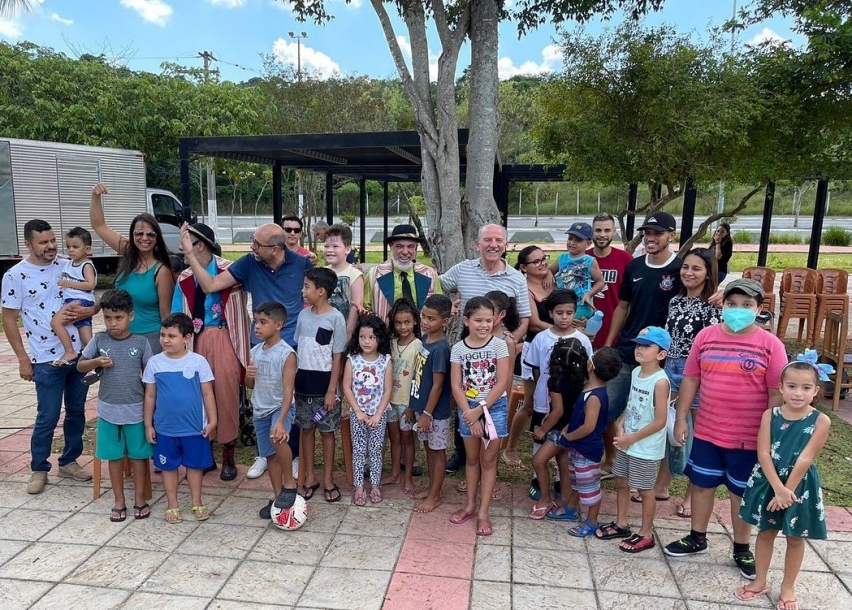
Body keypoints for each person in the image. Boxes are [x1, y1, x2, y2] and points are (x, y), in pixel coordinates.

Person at [664, 279, 788, 580]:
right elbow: (691, 380)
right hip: (707, 430)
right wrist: (681, 418)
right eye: (732, 304)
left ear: (759, 309)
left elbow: (776, 393)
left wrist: (772, 434)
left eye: (747, 305)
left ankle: (742, 547)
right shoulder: (706, 337)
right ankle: (697, 537)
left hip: (749, 439)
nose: (738, 310)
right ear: (723, 305)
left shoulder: (771, 345)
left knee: (740, 493)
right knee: (703, 486)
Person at [180, 221, 311, 480]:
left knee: (291, 400)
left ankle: (292, 455)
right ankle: (264, 453)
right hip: (260, 343)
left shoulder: (301, 264)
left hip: (294, 343)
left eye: (256, 244)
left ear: (275, 249)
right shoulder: (249, 263)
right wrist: (189, 254)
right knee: (261, 399)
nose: (251, 247)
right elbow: (210, 285)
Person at [2, 219, 95, 495]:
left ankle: (69, 461)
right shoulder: (15, 275)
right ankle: (39, 468)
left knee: (77, 412)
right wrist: (22, 359)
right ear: (28, 245)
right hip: (45, 359)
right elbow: (9, 320)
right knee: (47, 415)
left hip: (78, 355)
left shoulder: (69, 263)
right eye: (44, 242)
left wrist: (89, 312)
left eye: (53, 240)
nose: (51, 246)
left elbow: (92, 295)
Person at [734, 357, 831, 610]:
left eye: (806, 387)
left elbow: (806, 457)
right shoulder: (771, 415)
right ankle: (760, 580)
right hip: (769, 481)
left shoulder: (821, 421)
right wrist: (777, 488)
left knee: (795, 536)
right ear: (781, 387)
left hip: (800, 485)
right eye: (792, 386)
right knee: (765, 531)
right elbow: (763, 453)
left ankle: (788, 586)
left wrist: (787, 491)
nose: (798, 393)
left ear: (816, 391)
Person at [439, 223, 532, 473]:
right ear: (477, 244)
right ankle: (463, 453)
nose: (493, 245)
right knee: (465, 399)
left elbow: (525, 318)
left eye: (498, 240)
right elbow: (437, 286)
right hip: (467, 350)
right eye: (488, 240)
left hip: (498, 353)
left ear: (504, 245)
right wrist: (450, 305)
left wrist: (510, 341)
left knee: (496, 402)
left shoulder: (515, 278)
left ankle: (490, 459)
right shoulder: (462, 270)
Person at [602, 212, 682, 477]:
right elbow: (623, 306)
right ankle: (612, 460)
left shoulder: (680, 269)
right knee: (609, 409)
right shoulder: (634, 266)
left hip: (661, 357)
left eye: (658, 233)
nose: (651, 238)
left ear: (671, 235)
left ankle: (654, 478)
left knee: (657, 417)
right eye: (648, 232)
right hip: (628, 350)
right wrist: (610, 343)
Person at [172, 223, 251, 481]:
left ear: (201, 245)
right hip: (195, 339)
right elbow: (177, 314)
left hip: (224, 334)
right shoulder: (184, 278)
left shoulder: (229, 269)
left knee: (226, 392)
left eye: (187, 245)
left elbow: (211, 287)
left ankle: (228, 453)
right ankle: (203, 454)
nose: (183, 252)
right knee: (196, 395)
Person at [653, 247, 721, 515]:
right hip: (671, 367)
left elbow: (712, 347)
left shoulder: (714, 304)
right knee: (669, 428)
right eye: (686, 267)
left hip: (700, 373)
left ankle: (692, 496)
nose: (689, 273)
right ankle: (662, 484)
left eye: (696, 268)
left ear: (708, 274)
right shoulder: (675, 301)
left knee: (696, 435)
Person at [77, 289, 153, 521]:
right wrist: (96, 361)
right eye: (108, 318)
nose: (112, 323)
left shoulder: (141, 343)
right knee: (114, 456)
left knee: (139, 457)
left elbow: (150, 377)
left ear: (130, 316)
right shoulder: (99, 339)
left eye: (118, 318)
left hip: (136, 410)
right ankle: (119, 501)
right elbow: (80, 366)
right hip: (108, 411)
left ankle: (139, 499)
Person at [595, 326, 671, 553]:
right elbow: (632, 403)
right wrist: (620, 423)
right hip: (627, 439)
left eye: (647, 346)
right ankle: (621, 523)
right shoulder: (637, 372)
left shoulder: (660, 382)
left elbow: (660, 421)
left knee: (644, 489)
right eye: (638, 344)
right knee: (621, 480)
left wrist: (632, 438)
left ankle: (646, 533)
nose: (640, 349)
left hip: (644, 445)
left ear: (661, 354)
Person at [143, 313, 217, 523]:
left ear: (186, 338)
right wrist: (149, 424)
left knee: (195, 466)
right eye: (163, 335)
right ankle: (172, 504)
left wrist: (212, 420)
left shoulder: (198, 362)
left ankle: (196, 502)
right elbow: (150, 396)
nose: (165, 340)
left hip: (194, 428)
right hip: (165, 429)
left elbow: (208, 393)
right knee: (168, 467)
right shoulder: (155, 363)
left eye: (172, 336)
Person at [448, 296, 511, 537]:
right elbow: (456, 385)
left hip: (493, 408)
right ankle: (470, 505)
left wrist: (480, 410)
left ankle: (484, 511)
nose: (483, 325)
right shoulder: (458, 349)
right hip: (468, 409)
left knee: (488, 461)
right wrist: (469, 413)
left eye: (488, 320)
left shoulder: (498, 345)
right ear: (466, 320)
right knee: (471, 459)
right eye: (478, 320)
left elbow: (503, 381)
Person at [524, 290, 593, 501]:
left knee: (564, 443)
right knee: (541, 437)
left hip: (571, 403)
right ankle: (538, 477)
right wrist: (538, 392)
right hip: (544, 401)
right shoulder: (541, 338)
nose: (565, 317)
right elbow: (535, 369)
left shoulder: (582, 339)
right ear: (551, 313)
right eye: (560, 312)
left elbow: (588, 372)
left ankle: (560, 481)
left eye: (569, 312)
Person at [90, 183, 174, 354]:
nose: (145, 238)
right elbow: (99, 226)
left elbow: (166, 315)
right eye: (139, 233)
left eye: (150, 234)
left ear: (157, 238)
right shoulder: (127, 251)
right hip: (119, 336)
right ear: (132, 235)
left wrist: (170, 347)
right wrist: (95, 196)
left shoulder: (161, 271)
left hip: (149, 340)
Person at [294, 267, 347, 503]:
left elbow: (337, 356)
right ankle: (309, 478)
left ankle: (327, 479)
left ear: (322, 291)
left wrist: (331, 391)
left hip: (325, 387)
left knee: (326, 432)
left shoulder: (336, 318)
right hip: (303, 385)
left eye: (307, 286)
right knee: (306, 430)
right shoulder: (303, 316)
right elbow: (299, 350)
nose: (303, 291)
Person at [245, 301, 299, 520]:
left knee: (278, 439)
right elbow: (250, 386)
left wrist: (281, 420)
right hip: (260, 409)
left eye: (263, 322)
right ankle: (278, 498)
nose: (257, 327)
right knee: (269, 456)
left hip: (280, 407)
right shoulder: (255, 351)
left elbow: (288, 391)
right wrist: (248, 375)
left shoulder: (287, 354)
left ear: (278, 325)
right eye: (256, 322)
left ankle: (289, 482)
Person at [562, 348, 622, 537]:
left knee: (590, 487)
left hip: (587, 449)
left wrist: (570, 436)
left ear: (590, 366)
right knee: (577, 481)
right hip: (578, 447)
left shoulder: (595, 396)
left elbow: (589, 427)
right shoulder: (589, 388)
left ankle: (592, 521)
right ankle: (571, 508)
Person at [503, 245, 553, 469]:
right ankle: (510, 448)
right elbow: (533, 322)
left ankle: (548, 448)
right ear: (523, 268)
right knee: (530, 403)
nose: (543, 264)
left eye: (544, 259)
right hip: (535, 349)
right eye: (537, 261)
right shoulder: (524, 288)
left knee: (554, 402)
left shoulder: (550, 280)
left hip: (556, 349)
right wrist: (565, 329)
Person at [528, 338, 588, 521]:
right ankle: (565, 500)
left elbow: (558, 411)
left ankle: (545, 498)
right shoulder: (583, 377)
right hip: (573, 427)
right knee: (563, 462)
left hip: (558, 431)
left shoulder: (556, 380)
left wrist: (542, 429)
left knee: (538, 461)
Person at [342, 314, 394, 506]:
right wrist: (358, 411)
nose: (366, 341)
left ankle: (375, 485)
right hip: (358, 415)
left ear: (379, 338)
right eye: (362, 337)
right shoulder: (352, 360)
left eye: (371, 337)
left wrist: (379, 414)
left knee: (376, 450)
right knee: (358, 450)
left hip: (378, 415)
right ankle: (359, 487)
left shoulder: (385, 361)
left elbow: (388, 389)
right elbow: (347, 387)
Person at [409, 294, 453, 513]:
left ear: (444, 321)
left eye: (431, 319)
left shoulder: (441, 349)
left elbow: (437, 385)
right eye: (423, 316)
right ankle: (432, 488)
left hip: (436, 413)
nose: (425, 322)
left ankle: (435, 495)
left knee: (437, 451)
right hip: (422, 408)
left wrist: (427, 413)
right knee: (428, 448)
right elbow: (419, 376)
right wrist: (413, 406)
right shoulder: (425, 341)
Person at [381, 298, 422, 495]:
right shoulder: (390, 344)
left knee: (407, 438)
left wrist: (412, 406)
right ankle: (395, 473)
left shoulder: (418, 346)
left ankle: (407, 477)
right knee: (394, 437)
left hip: (407, 403)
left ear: (415, 321)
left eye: (407, 322)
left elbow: (419, 378)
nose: (402, 326)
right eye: (398, 323)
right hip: (390, 402)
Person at [364, 224, 442, 322]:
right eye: (400, 246)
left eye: (410, 247)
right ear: (391, 247)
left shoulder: (429, 274)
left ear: (416, 249)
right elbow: (365, 308)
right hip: (385, 335)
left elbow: (439, 307)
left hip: (420, 335)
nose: (405, 252)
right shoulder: (374, 275)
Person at [50, 226, 97, 366]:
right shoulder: (71, 263)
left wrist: (68, 283)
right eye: (68, 246)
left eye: (75, 247)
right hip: (81, 302)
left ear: (87, 249)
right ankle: (97, 361)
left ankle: (69, 351)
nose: (71, 250)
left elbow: (90, 285)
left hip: (79, 301)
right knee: (86, 337)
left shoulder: (86, 265)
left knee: (56, 322)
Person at [586, 213, 633, 350]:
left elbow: (631, 300)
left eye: (607, 230)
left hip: (615, 336)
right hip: (582, 331)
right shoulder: (582, 258)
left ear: (614, 232)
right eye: (598, 230)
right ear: (592, 232)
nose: (602, 234)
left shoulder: (626, 260)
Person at [549, 222, 605, 320]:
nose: (572, 242)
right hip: (562, 304)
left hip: (581, 305)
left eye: (578, 240)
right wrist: (549, 278)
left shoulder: (589, 261)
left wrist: (589, 294)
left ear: (588, 244)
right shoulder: (562, 258)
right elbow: (550, 271)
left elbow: (600, 282)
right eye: (570, 238)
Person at [323, 223, 364, 335]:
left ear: (347, 249)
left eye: (335, 246)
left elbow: (356, 307)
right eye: (326, 246)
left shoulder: (354, 274)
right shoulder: (322, 272)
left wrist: (348, 334)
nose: (330, 250)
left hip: (345, 332)